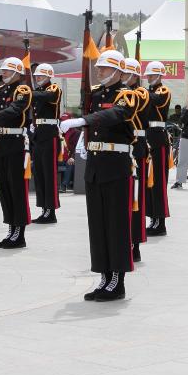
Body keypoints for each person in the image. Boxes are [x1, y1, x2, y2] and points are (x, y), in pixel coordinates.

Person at [59, 49, 138, 302]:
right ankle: (104, 277)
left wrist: (82, 121)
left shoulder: (128, 95)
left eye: (104, 68)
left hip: (115, 164)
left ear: (116, 71)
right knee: (98, 225)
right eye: (99, 67)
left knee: (116, 224)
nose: (99, 71)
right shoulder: (95, 94)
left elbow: (115, 115)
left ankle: (117, 280)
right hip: (95, 163)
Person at [0, 57, 34, 249]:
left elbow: (15, 110)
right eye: (3, 70)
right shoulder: (0, 91)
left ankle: (19, 233)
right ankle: (11, 230)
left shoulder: (22, 90)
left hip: (16, 144)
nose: (3, 73)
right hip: (2, 143)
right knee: (5, 190)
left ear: (16, 72)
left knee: (17, 189)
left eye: (7, 71)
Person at [120, 58, 149, 262]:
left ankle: (135, 243)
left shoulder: (140, 93)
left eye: (125, 74)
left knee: (135, 198)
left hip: (136, 148)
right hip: (122, 146)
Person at [29, 63, 63, 224]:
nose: (38, 78)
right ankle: (44, 209)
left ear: (49, 76)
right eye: (36, 76)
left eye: (41, 76)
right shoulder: (38, 92)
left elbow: (47, 97)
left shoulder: (54, 89)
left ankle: (51, 211)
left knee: (49, 174)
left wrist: (28, 93)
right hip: (39, 134)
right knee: (40, 174)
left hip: (50, 134)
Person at [142, 61, 173, 235]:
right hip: (147, 137)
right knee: (149, 182)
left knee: (159, 182)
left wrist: (140, 92)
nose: (150, 78)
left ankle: (160, 223)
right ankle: (152, 218)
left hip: (158, 138)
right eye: (148, 75)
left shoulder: (163, 91)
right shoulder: (147, 92)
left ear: (160, 75)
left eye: (153, 75)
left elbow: (157, 100)